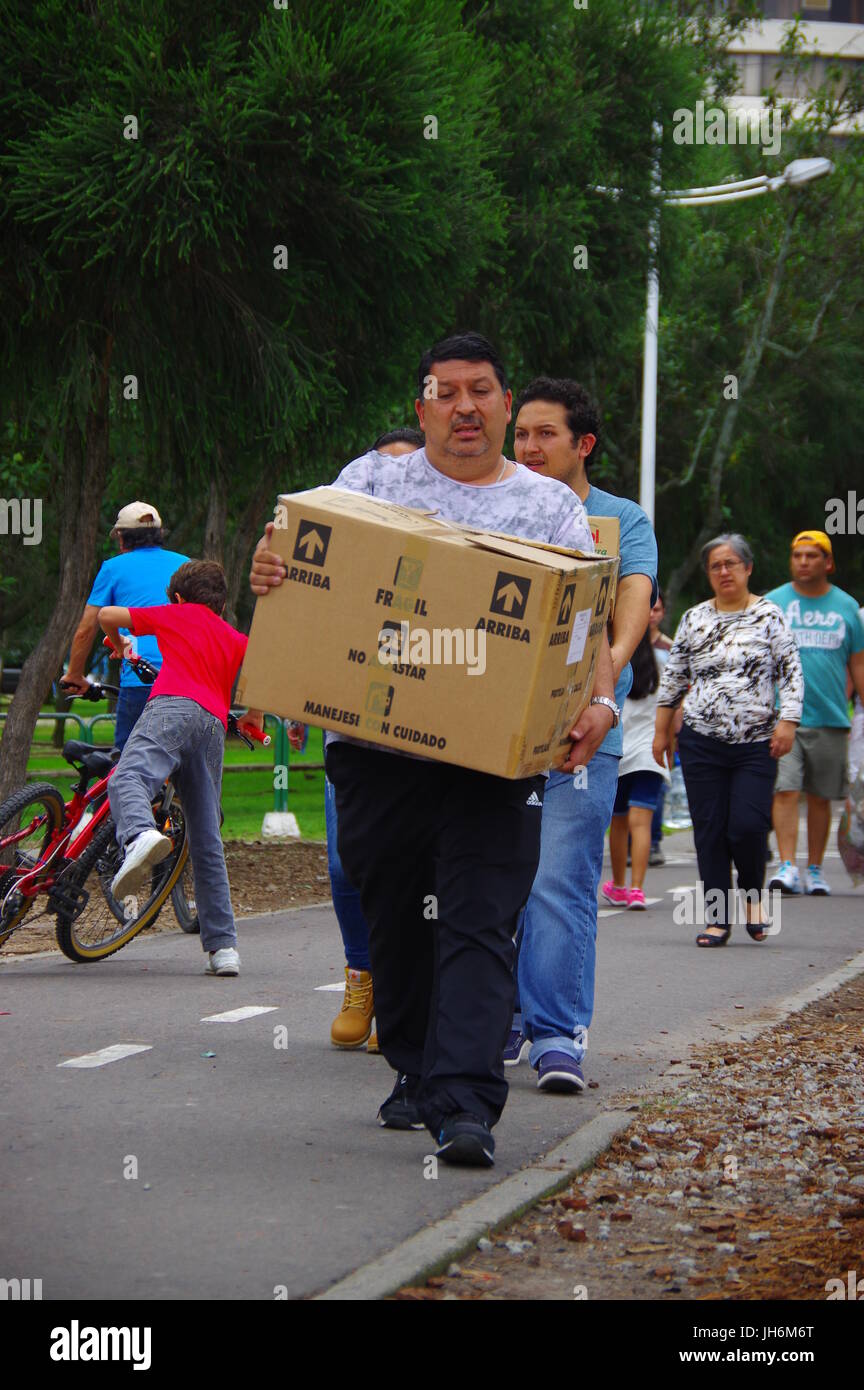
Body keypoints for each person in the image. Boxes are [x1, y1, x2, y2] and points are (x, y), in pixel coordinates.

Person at [250, 332, 617, 1166]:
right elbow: (299, 557)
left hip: (494, 764)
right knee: (398, 923)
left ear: (504, 404)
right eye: (445, 391)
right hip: (377, 754)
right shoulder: (372, 482)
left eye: (481, 390)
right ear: (422, 407)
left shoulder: (548, 507)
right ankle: (414, 1069)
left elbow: (581, 618)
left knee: (481, 923)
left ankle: (465, 1104)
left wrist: (598, 701)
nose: (464, 407)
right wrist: (268, 569)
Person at [507, 377, 656, 1093]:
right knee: (490, 878)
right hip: (497, 730)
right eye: (522, 435)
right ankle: (498, 1014)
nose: (529, 448)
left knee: (558, 878)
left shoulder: (620, 519)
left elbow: (629, 599)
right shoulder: (495, 504)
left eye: (545, 435)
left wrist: (603, 685)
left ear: (583, 444)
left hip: (581, 735)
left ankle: (557, 1034)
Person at [100, 560, 262, 976]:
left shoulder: (176, 612)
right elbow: (266, 671)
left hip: (171, 707)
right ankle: (224, 949)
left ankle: (138, 835)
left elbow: (105, 615)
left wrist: (119, 642)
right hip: (211, 726)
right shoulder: (233, 637)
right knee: (206, 837)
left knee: (128, 776)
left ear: (177, 597)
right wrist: (254, 718)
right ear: (223, 605)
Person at [325, 427, 424, 1053]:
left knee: (414, 867)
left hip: (427, 737)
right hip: (351, 727)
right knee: (345, 861)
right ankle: (359, 973)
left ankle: (398, 992)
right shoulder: (347, 556)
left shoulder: (443, 558)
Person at [653, 534, 803, 947]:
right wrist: (662, 730)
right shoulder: (695, 618)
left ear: (747, 568)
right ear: (709, 573)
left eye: (731, 564)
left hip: (756, 742)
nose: (724, 572)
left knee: (747, 825)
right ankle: (717, 919)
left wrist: (788, 721)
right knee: (710, 829)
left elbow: (791, 672)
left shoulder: (769, 615)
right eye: (716, 565)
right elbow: (674, 678)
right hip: (702, 739)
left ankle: (753, 896)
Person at [765, 531, 864, 896]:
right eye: (797, 555)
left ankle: (816, 869)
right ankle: (788, 866)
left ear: (828, 563)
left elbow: (858, 666)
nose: (803, 561)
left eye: (812, 555)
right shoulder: (774, 603)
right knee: (785, 789)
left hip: (832, 717)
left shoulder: (847, 608)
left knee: (822, 796)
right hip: (783, 718)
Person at [65, 503, 189, 749]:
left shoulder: (113, 568)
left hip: (141, 680)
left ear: (122, 538)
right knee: (183, 768)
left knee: (126, 769)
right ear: (159, 533)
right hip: (186, 684)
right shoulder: (187, 566)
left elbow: (85, 630)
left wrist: (75, 675)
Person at [603, 628, 670, 909]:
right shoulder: (662, 664)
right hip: (650, 755)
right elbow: (670, 709)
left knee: (618, 823)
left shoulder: (613, 664)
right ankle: (637, 890)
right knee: (641, 824)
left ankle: (618, 886)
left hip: (619, 753)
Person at [648, 588, 673, 865]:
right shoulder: (625, 642)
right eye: (648, 608)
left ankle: (653, 841)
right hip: (630, 724)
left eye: (657, 610)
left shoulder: (669, 647)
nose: (652, 615)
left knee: (657, 787)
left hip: (661, 724)